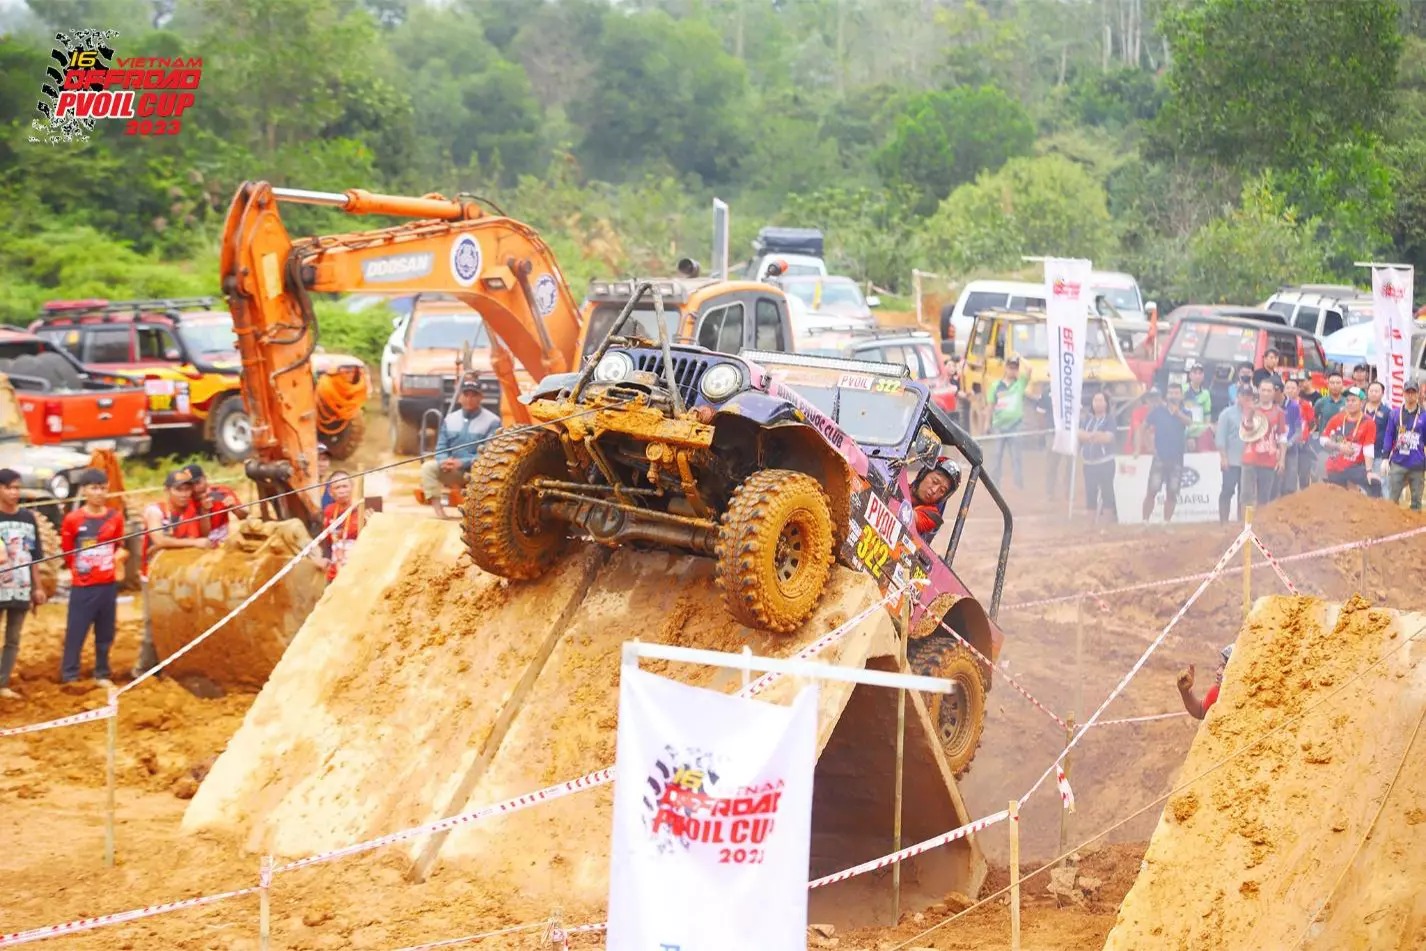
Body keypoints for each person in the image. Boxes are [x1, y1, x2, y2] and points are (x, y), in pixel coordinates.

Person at [134, 468, 213, 679]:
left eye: (187, 489)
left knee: (184, 621)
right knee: (155, 623)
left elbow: (205, 533)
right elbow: (158, 539)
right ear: (168, 490)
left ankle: (175, 667)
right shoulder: (156, 511)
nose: (184, 494)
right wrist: (193, 542)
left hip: (183, 574)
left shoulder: (193, 508)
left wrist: (205, 512)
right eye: (179, 489)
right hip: (155, 576)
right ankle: (143, 669)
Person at [59, 469, 125, 686]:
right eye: (94, 488)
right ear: (84, 490)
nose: (99, 493)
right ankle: (70, 675)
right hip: (83, 586)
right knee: (76, 630)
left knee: (106, 632)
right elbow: (68, 552)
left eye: (103, 488)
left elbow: (120, 546)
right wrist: (80, 572)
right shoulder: (73, 519)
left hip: (107, 585)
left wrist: (118, 559)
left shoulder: (115, 517)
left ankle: (102, 673)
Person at [421, 376, 501, 519]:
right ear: (460, 397)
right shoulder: (450, 419)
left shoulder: (493, 421)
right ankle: (440, 514)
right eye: (466, 394)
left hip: (479, 472)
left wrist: (462, 462)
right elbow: (441, 446)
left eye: (474, 394)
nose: (469, 398)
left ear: (480, 397)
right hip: (454, 471)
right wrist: (443, 461)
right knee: (428, 468)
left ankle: (478, 515)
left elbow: (490, 455)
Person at [0, 469, 46, 700]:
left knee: (13, 638)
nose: (14, 492)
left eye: (17, 487)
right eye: (9, 487)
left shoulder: (28, 518)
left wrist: (38, 587)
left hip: (22, 587)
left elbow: (35, 557)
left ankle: (3, 683)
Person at [1140, 382, 1191, 523]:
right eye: (1171, 393)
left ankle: (1166, 522)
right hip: (1160, 457)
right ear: (1166, 395)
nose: (1174, 395)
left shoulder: (1186, 411)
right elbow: (1143, 427)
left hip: (1177, 458)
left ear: (1181, 396)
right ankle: (1145, 521)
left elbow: (1189, 423)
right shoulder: (1158, 411)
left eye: (1176, 393)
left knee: (1172, 493)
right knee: (1152, 490)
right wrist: (1149, 446)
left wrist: (1177, 413)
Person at [1320, 387, 1379, 493]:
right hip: (1335, 466)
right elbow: (1322, 439)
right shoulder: (1337, 418)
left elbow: (1368, 448)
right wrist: (1338, 446)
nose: (1350, 403)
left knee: (1374, 483)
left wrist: (1369, 471)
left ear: (1361, 403)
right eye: (1348, 400)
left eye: (1353, 400)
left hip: (1354, 467)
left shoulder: (1368, 422)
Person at [310, 471, 365, 581]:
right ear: (330, 492)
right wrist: (325, 557)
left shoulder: (363, 509)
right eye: (337, 488)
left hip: (357, 571)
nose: (342, 491)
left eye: (345, 486)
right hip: (335, 572)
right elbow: (327, 540)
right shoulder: (329, 511)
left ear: (352, 487)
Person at [1240, 379, 1286, 508]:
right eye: (1263, 390)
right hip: (1250, 457)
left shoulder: (1279, 412)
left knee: (1265, 498)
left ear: (1273, 393)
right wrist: (1250, 415)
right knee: (1247, 495)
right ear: (1258, 391)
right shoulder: (1250, 408)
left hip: (1269, 460)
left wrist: (1281, 460)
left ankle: (1261, 525)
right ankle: (1246, 526)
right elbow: (1245, 430)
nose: (1265, 393)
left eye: (1269, 390)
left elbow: (1282, 437)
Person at [987, 356, 1030, 491]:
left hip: (1015, 425)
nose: (1013, 370)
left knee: (1016, 456)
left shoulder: (1020, 384)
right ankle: (995, 485)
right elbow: (990, 406)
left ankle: (1019, 484)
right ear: (1006, 368)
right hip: (999, 426)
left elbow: (1029, 369)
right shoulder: (996, 385)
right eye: (1011, 367)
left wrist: (1020, 357)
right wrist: (986, 424)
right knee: (996, 456)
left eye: (1015, 368)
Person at [1382, 381, 1426, 510]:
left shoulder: (1424, 415)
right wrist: (1385, 457)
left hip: (1417, 464)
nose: (1410, 395)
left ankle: (1414, 529)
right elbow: (1389, 435)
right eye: (1408, 392)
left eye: (1413, 392)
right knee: (1392, 499)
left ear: (1418, 394)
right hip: (1398, 462)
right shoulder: (1395, 414)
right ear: (1403, 394)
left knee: (1416, 502)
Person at [183, 463, 249, 545]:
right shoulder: (185, 502)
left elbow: (243, 516)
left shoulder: (222, 492)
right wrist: (204, 511)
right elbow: (203, 536)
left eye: (197, 483)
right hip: (198, 545)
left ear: (205, 478)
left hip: (223, 544)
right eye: (190, 486)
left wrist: (234, 507)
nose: (195, 489)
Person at [1079, 390, 1117, 526]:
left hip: (1105, 462)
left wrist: (1089, 436)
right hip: (1089, 463)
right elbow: (1079, 434)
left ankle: (1106, 525)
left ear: (1106, 403)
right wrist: (1094, 435)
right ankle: (1090, 525)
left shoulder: (1109, 420)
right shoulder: (1088, 419)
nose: (1098, 403)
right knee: (1090, 493)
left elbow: (1107, 438)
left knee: (1107, 492)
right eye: (1096, 400)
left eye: (1101, 400)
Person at [1215, 387, 1251, 523]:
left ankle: (1242, 522)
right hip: (1231, 460)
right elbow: (1220, 437)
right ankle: (1223, 521)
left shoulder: (1254, 414)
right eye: (1243, 395)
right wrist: (1223, 457)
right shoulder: (1227, 414)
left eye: (1249, 395)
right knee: (1228, 490)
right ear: (1238, 396)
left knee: (1245, 494)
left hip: (1249, 462)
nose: (1246, 398)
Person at [1278, 376, 1315, 496]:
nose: (1290, 390)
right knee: (1287, 476)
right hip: (1286, 446)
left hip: (1303, 445)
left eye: (1293, 388)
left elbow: (1312, 424)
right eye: (1287, 388)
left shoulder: (1305, 405)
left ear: (1298, 390)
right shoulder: (1280, 406)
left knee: (1304, 476)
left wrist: (1304, 437)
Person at [1178, 644, 1233, 720]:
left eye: (1225, 667)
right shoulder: (1216, 691)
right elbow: (1201, 711)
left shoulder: (1251, 698)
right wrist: (1185, 692)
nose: (1218, 672)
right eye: (1220, 666)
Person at [910, 460, 961, 539]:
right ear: (924, 474)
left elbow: (906, 516)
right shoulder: (900, 486)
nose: (934, 490)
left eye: (942, 490)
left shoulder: (933, 516)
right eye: (934, 481)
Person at [1363, 381, 1391, 499]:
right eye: (1371, 391)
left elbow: (1389, 434)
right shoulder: (1360, 408)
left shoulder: (1387, 412)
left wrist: (1387, 455)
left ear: (1383, 393)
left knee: (1382, 484)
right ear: (1367, 392)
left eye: (1377, 391)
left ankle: (1387, 511)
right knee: (1364, 485)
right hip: (1362, 455)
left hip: (1379, 454)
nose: (1374, 393)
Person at [1184, 361, 1214, 451]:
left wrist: (1206, 429)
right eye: (1195, 373)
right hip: (1185, 430)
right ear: (1190, 375)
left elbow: (1207, 414)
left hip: (1199, 431)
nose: (1197, 376)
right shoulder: (1183, 388)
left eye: (1200, 373)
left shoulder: (1206, 393)